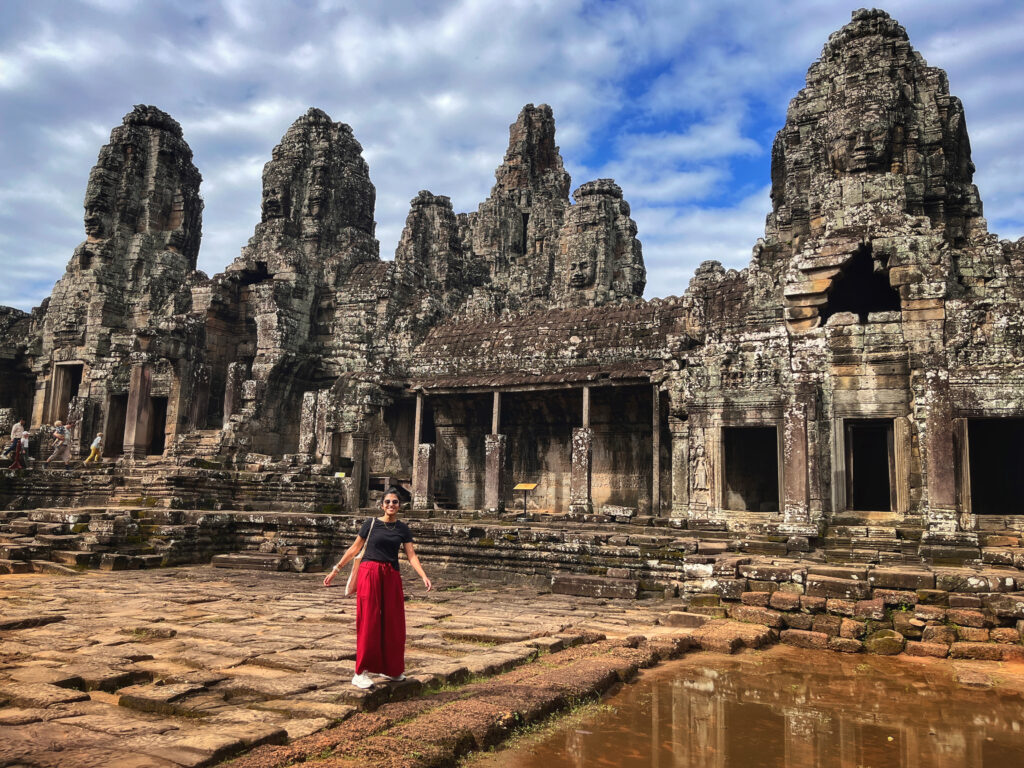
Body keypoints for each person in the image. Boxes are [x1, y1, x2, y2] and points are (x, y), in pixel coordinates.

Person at [323, 487, 432, 688]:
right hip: (370, 572)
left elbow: (411, 555)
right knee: (369, 620)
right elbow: (355, 548)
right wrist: (335, 570)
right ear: (382, 505)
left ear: (400, 506)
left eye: (395, 502)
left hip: (391, 574)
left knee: (394, 621)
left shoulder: (402, 529)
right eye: (388, 502)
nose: (391, 505)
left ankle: (391, 668)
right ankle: (360, 672)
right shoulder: (370, 524)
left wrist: (423, 576)